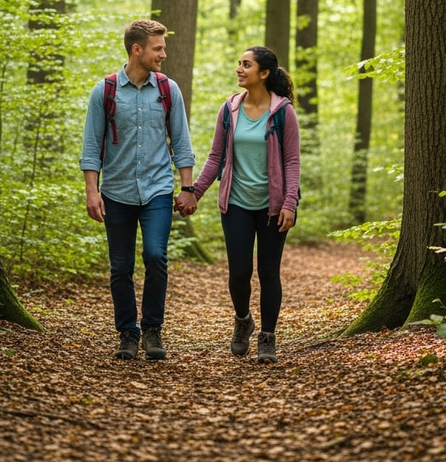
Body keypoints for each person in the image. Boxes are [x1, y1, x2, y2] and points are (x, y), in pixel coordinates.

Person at [80, 19, 196, 361]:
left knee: (156, 256)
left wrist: (187, 187)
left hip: (157, 190)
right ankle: (128, 333)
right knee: (121, 266)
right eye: (158, 48)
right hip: (116, 192)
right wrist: (92, 191)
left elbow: (182, 142)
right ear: (137, 49)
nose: (163, 54)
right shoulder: (105, 91)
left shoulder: (168, 89)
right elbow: (91, 146)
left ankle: (152, 329)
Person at [187, 45, 300, 363]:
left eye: (246, 64)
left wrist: (290, 203)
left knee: (268, 272)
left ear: (264, 73)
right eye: (239, 63)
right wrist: (195, 192)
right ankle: (242, 320)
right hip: (236, 202)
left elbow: (292, 162)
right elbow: (215, 157)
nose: (239, 68)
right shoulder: (230, 109)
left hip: (273, 206)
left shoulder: (283, 112)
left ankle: (268, 337)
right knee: (239, 272)